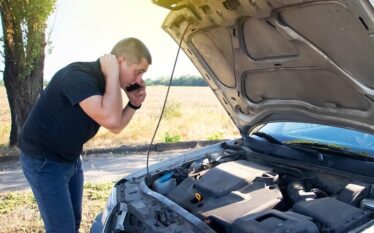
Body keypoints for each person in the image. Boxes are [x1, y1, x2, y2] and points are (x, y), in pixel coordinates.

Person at [18, 37, 151, 233]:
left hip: (70, 158)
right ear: (120, 61)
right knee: (62, 228)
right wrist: (113, 75)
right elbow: (112, 120)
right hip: (43, 161)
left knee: (74, 221)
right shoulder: (78, 76)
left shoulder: (108, 84)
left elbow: (115, 127)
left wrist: (133, 104)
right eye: (137, 71)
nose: (139, 80)